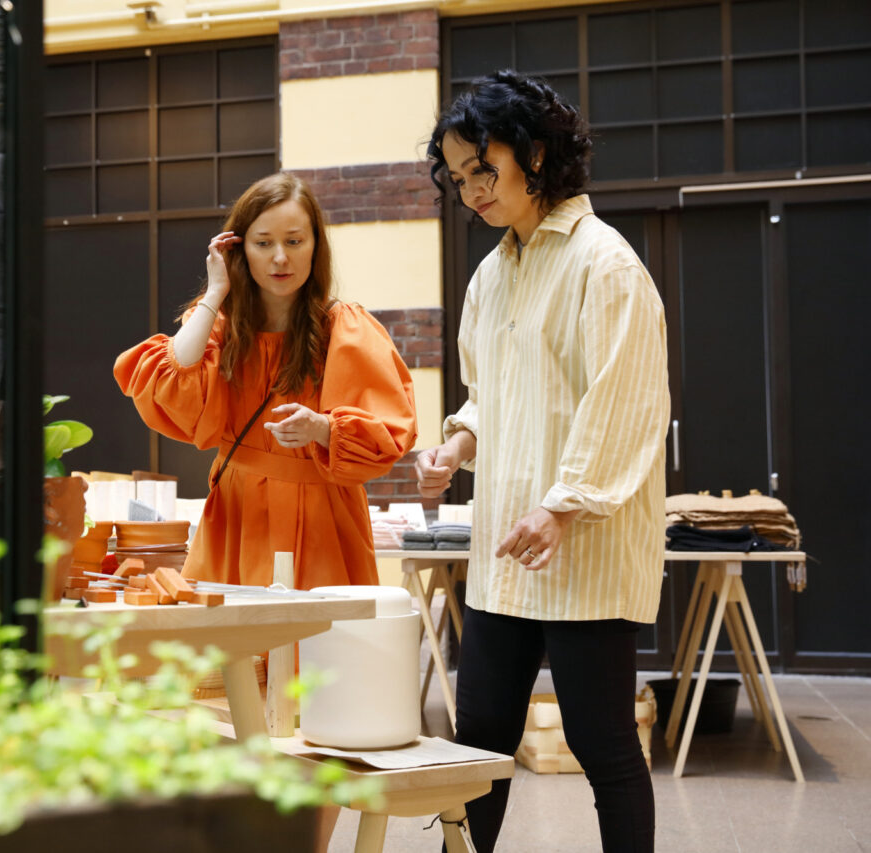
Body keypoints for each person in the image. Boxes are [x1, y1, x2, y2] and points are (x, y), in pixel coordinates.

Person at [416, 71, 670, 852]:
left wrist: (562, 504)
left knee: (602, 745)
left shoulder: (606, 262)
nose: (471, 193)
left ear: (533, 152)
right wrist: (458, 443)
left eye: (481, 169)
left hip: (583, 547)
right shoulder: (493, 274)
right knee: (480, 738)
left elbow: (626, 402)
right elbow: (491, 392)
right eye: (458, 179)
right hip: (503, 549)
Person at [114, 172, 417, 590]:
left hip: (321, 517)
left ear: (315, 246)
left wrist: (323, 428)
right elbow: (174, 375)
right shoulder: (219, 327)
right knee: (234, 647)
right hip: (237, 513)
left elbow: (388, 432)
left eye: (294, 241)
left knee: (313, 649)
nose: (280, 258)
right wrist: (216, 290)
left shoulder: (343, 328)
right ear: (240, 249)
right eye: (263, 243)